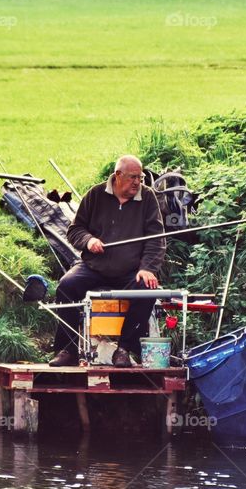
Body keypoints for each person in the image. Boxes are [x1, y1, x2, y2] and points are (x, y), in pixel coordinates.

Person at [48, 154, 166, 367]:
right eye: (132, 177)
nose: (137, 182)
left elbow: (156, 239)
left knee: (148, 289)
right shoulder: (95, 194)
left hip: (131, 270)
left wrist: (148, 268)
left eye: (140, 177)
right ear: (117, 175)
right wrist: (89, 240)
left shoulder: (147, 197)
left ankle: (124, 348)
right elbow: (75, 230)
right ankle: (68, 349)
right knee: (66, 286)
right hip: (94, 266)